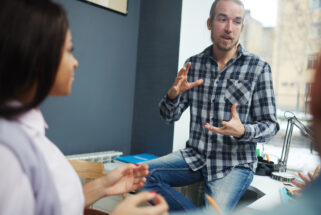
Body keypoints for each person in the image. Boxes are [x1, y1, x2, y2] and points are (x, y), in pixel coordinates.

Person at [0, 0, 168, 215]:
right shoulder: (7, 154)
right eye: (69, 50)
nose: (75, 62)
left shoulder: (26, 131)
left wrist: (105, 185)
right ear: (36, 57)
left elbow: (54, 207)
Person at [142, 0, 279, 212]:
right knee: (138, 175)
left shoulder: (259, 68)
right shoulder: (193, 65)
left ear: (241, 27)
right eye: (222, 19)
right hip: (195, 156)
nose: (229, 28)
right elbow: (169, 116)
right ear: (209, 23)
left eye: (236, 21)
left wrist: (243, 131)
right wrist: (172, 95)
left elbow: (271, 126)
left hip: (234, 164)